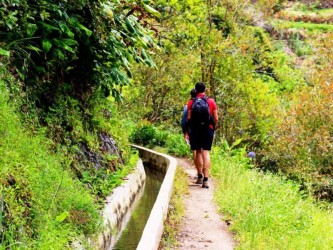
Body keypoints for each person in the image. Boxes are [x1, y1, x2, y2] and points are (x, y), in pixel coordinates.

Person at [186, 82, 218, 188]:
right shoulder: (211, 101)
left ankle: (199, 176)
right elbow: (216, 118)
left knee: (198, 152)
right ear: (205, 89)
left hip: (195, 130)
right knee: (206, 153)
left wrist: (188, 130)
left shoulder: (191, 102)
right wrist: (212, 127)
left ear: (196, 89)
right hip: (208, 130)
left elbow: (189, 118)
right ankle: (206, 180)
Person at [181, 88, 199, 175]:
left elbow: (184, 121)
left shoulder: (188, 105)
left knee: (195, 151)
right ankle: (203, 172)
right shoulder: (205, 102)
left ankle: (199, 173)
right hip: (204, 131)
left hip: (193, 131)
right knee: (204, 152)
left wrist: (185, 132)